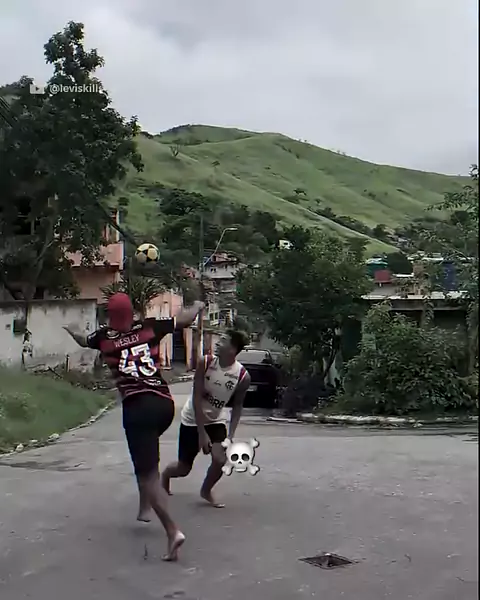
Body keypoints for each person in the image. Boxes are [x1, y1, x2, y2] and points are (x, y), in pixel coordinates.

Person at [63, 292, 203, 561]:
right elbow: (184, 320)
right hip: (164, 404)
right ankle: (144, 508)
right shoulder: (149, 327)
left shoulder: (103, 338)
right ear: (132, 313)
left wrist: (70, 328)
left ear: (110, 316)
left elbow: (82, 339)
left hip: (137, 408)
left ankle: (172, 531)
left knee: (147, 474)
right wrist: (197, 305)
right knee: (147, 460)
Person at [161, 329, 251, 508]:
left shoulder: (242, 376)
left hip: (216, 420)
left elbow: (237, 407)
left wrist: (230, 436)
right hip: (192, 419)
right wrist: (202, 434)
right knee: (183, 468)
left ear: (233, 349)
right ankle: (165, 476)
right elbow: (196, 397)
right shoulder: (206, 362)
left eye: (223, 340)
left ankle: (206, 490)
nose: (217, 343)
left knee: (220, 460)